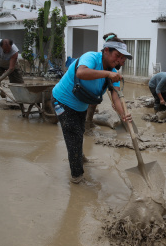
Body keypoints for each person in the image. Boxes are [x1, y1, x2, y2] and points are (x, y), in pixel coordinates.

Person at [52, 33, 132, 184]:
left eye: (123, 58)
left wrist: (123, 115)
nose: (120, 60)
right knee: (73, 135)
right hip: (61, 101)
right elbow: (81, 72)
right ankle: (77, 178)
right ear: (106, 51)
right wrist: (108, 73)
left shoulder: (113, 73)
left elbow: (116, 97)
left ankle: (79, 156)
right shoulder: (91, 57)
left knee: (79, 131)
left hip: (80, 105)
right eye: (118, 55)